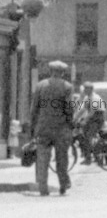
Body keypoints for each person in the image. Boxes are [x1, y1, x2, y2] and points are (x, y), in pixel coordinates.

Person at [30, 60, 73, 196]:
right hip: (60, 129)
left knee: (42, 159)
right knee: (62, 158)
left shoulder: (40, 85)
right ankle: (62, 186)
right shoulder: (67, 86)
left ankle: (43, 188)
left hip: (43, 128)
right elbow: (69, 109)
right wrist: (71, 124)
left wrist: (33, 127)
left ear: (50, 71)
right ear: (62, 72)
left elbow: (34, 109)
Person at [74, 81, 105, 164]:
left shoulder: (95, 98)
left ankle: (90, 158)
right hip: (92, 119)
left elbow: (92, 112)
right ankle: (88, 155)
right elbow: (83, 109)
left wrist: (85, 120)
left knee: (88, 136)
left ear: (90, 89)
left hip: (97, 119)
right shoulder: (87, 98)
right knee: (82, 135)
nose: (84, 90)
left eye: (86, 89)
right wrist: (75, 118)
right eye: (84, 88)